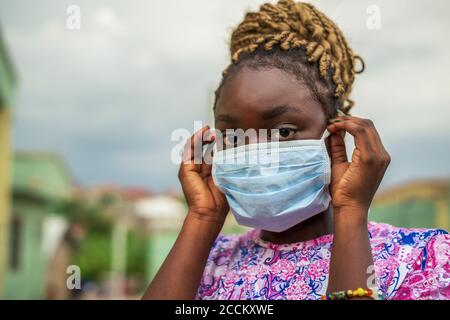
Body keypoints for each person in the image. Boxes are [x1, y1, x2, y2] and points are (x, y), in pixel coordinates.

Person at [143, 0, 449, 300]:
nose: (257, 155)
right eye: (234, 137)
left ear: (336, 133)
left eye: (283, 131)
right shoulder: (205, 262)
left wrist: (351, 213)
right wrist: (202, 218)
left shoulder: (424, 261)